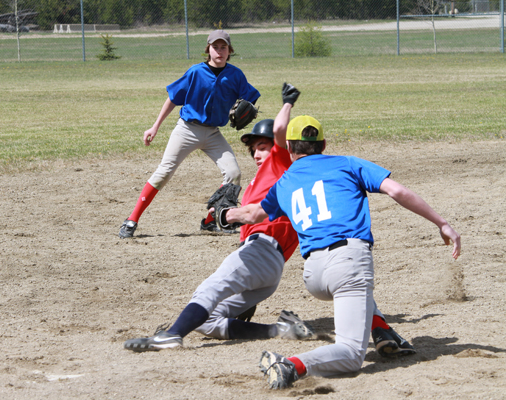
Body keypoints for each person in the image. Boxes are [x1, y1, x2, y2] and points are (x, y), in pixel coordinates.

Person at [123, 93, 417, 356]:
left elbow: (279, 135)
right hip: (264, 265)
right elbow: (249, 220)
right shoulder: (256, 186)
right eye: (253, 150)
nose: (257, 154)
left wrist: (287, 103)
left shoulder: (281, 167)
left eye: (262, 147)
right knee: (209, 320)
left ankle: (171, 335)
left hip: (263, 251)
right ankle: (280, 330)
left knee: (208, 290)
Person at [223, 84, 461, 388]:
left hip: (314, 275)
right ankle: (290, 365)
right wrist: (442, 223)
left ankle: (382, 328)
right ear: (324, 144)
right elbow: (397, 191)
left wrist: (226, 214)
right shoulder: (347, 164)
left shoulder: (284, 182)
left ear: (291, 150)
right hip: (348, 264)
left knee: (355, 292)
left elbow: (254, 214)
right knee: (350, 353)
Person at [119, 29, 260, 239]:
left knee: (233, 174)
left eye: (224, 47)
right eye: (215, 47)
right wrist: (155, 126)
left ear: (229, 51)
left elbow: (250, 98)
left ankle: (210, 221)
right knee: (163, 173)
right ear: (208, 50)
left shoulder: (235, 75)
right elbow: (173, 98)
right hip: (187, 129)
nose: (219, 51)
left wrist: (247, 110)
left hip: (213, 133)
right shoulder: (196, 72)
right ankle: (132, 219)